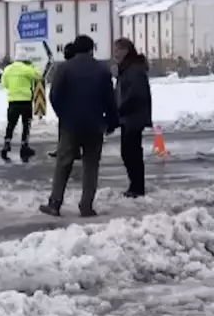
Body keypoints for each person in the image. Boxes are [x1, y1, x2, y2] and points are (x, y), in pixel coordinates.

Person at [41, 35, 118, 218]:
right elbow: (110, 99)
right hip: (95, 124)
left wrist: (64, 115)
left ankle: (55, 203)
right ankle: (86, 206)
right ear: (92, 49)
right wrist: (111, 121)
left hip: (70, 125)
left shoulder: (64, 68)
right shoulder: (102, 70)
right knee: (91, 165)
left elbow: (55, 96)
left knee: (63, 163)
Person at [113, 37, 152, 198]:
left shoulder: (133, 69)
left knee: (131, 153)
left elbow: (135, 94)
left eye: (117, 50)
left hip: (133, 116)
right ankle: (135, 185)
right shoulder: (127, 68)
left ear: (125, 51)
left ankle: (137, 187)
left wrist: (120, 109)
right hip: (129, 116)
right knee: (130, 152)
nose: (114, 53)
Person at [0, 55, 40, 162]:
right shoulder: (27, 69)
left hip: (13, 101)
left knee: (11, 124)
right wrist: (32, 66)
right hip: (25, 101)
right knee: (26, 124)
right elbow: (38, 76)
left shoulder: (8, 69)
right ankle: (24, 146)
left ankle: (7, 144)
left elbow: (4, 84)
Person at [46, 42, 77, 159]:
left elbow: (55, 92)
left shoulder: (63, 68)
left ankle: (63, 149)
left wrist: (59, 109)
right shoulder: (86, 67)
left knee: (65, 131)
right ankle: (75, 150)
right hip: (80, 106)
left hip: (66, 107)